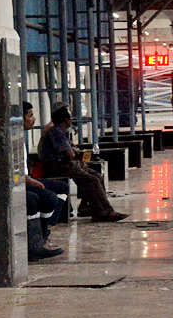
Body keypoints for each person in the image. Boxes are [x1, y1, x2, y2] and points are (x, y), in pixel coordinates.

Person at [39, 106, 129, 223]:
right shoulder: (56, 132)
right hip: (58, 165)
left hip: (64, 163)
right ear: (65, 119)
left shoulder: (61, 131)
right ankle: (104, 212)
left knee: (97, 176)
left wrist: (72, 151)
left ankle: (89, 206)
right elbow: (69, 153)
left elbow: (71, 149)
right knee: (91, 180)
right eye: (70, 117)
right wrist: (72, 151)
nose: (72, 120)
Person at [22, 104, 67, 256]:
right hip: (22, 181)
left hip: (28, 179)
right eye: (30, 116)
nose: (33, 119)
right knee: (37, 198)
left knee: (61, 188)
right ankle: (35, 245)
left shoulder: (22, 139)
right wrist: (32, 181)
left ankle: (44, 230)